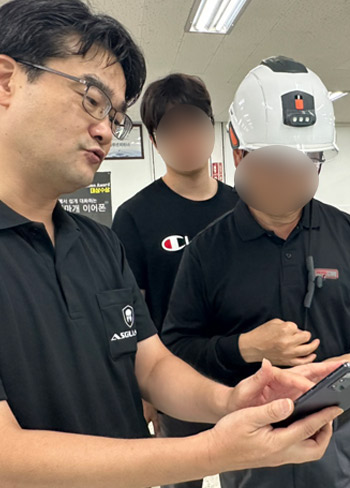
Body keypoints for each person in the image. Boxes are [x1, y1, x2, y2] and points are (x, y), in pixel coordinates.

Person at [0, 3, 346, 486]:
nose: (106, 130)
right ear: (6, 80)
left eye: (116, 115)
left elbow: (151, 365)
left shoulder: (98, 244)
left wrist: (231, 400)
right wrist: (213, 450)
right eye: (91, 99)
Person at [161, 55, 350, 488]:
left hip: (338, 433)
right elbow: (178, 344)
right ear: (238, 152)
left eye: (306, 162)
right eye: (275, 163)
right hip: (251, 438)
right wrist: (243, 348)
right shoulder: (208, 251)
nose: (289, 176)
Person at [112, 73, 238, 488]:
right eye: (171, 128)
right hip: (175, 383)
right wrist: (143, 391)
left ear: (211, 127)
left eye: (194, 122)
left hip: (241, 373)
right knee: (181, 481)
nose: (186, 137)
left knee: (254, 476)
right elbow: (131, 312)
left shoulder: (243, 206)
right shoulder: (135, 216)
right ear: (154, 140)